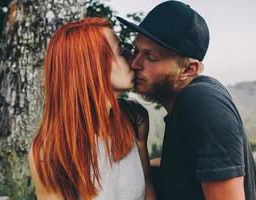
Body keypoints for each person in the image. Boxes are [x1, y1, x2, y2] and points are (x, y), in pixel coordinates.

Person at [117, 1, 256, 200]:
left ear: (188, 69)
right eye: (136, 50)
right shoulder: (185, 106)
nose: (135, 63)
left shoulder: (202, 101)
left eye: (150, 56)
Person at [28, 17, 156, 200]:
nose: (133, 60)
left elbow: (147, 184)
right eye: (121, 52)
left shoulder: (135, 118)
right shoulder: (48, 152)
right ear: (91, 66)